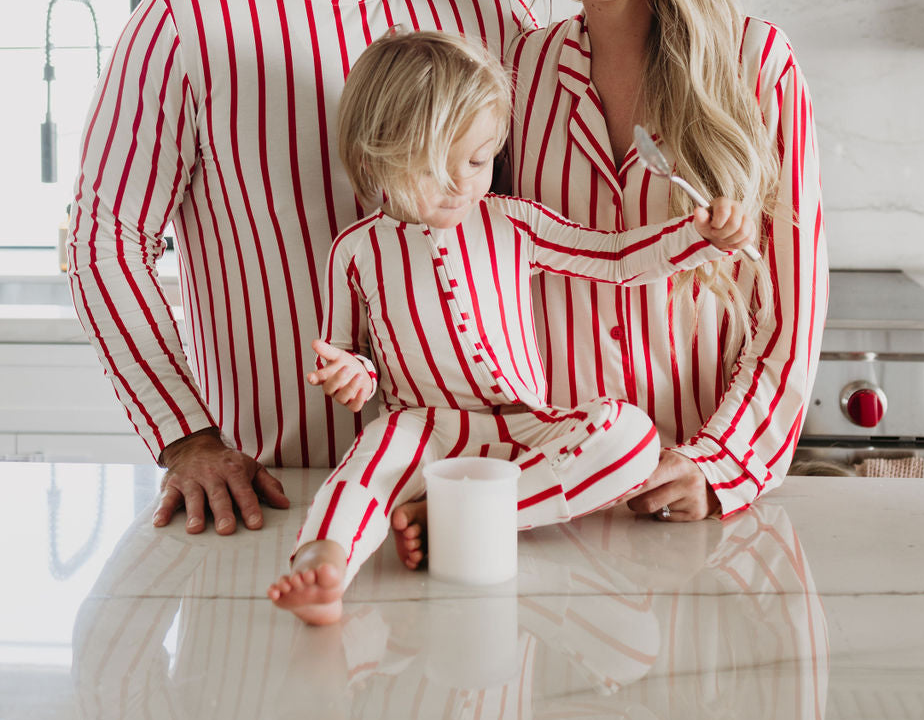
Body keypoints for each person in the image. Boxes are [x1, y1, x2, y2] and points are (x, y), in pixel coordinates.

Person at [67, 0, 536, 537]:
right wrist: (187, 436)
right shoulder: (187, 22)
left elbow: (544, 205)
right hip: (274, 496)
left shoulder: (481, 2)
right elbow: (104, 241)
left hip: (468, 486)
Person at [267, 30, 756, 624]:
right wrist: (353, 375)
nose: (461, 186)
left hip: (528, 427)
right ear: (375, 158)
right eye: (431, 168)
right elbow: (351, 354)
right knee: (369, 462)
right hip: (425, 427)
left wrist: (695, 237)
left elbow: (618, 260)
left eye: (477, 162)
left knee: (631, 436)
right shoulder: (356, 251)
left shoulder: (512, 222)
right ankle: (326, 560)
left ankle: (461, 516)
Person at [503, 0, 828, 522]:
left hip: (696, 489)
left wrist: (715, 462)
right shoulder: (523, 69)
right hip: (555, 484)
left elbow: (792, 311)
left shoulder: (755, 63)